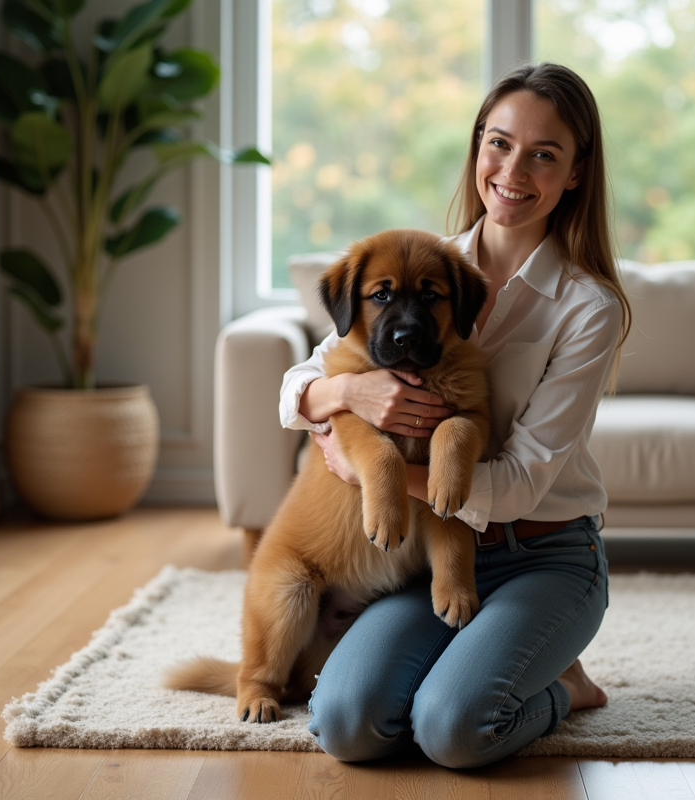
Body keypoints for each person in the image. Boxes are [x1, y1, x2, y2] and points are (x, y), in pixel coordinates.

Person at [277, 62, 632, 769]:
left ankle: (567, 688)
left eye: (544, 154)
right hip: (428, 555)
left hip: (545, 552)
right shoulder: (427, 262)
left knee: (455, 730)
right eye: (499, 143)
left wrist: (370, 469)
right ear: (476, 149)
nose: (513, 169)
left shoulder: (585, 307)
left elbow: (524, 482)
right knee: (346, 723)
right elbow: (302, 382)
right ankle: (476, 663)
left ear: (575, 173)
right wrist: (346, 398)